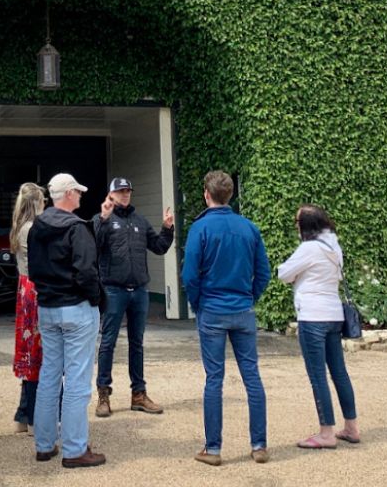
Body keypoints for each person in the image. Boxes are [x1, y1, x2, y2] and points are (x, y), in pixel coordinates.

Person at [181, 171, 271, 466]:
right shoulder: (249, 227)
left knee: (214, 379)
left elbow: (190, 275)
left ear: (207, 194)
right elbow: (264, 273)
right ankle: (259, 445)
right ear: (229, 194)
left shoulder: (201, 228)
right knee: (252, 377)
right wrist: (250, 298)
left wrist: (198, 303)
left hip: (213, 308)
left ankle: (214, 448)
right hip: (242, 307)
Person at [28, 173, 106, 468]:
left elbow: (32, 269)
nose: (81, 196)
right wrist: (96, 299)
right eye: (78, 191)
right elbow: (87, 271)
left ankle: (45, 445)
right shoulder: (77, 228)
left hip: (47, 307)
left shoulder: (38, 227)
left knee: (49, 375)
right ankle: (75, 449)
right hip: (76, 307)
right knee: (77, 381)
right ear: (70, 194)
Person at [277, 204, 360, 449]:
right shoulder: (334, 247)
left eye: (297, 221)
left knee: (317, 375)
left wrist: (296, 276)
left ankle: (326, 433)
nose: (295, 225)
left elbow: (283, 273)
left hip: (312, 316)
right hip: (334, 315)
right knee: (339, 372)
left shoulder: (309, 248)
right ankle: (351, 427)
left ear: (306, 225)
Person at [91, 177, 175, 417]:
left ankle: (138, 394)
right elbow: (94, 245)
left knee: (137, 343)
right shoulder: (102, 220)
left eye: (128, 190)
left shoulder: (140, 221)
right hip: (113, 290)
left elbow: (159, 247)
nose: (125, 194)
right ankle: (104, 394)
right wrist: (105, 219)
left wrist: (167, 229)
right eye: (120, 191)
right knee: (108, 342)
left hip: (139, 290)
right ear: (111, 195)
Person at [10, 182, 46, 434]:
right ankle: (33, 416)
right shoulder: (32, 229)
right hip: (36, 292)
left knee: (30, 353)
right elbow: (39, 264)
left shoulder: (19, 228)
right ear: (36, 203)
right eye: (43, 201)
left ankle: (23, 415)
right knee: (38, 355)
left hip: (25, 290)